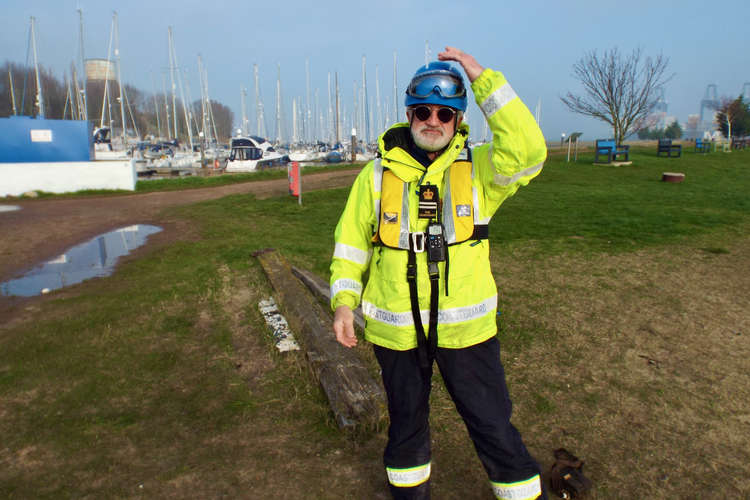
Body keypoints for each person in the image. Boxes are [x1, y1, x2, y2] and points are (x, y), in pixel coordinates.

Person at [330, 46, 547, 500]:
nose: (434, 121)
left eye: (446, 114)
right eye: (424, 111)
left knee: (491, 423)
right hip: (397, 332)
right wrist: (344, 303)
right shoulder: (373, 176)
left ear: (458, 119)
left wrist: (481, 76)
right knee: (406, 425)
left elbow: (528, 152)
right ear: (409, 114)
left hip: (466, 333)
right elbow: (350, 245)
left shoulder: (482, 170)